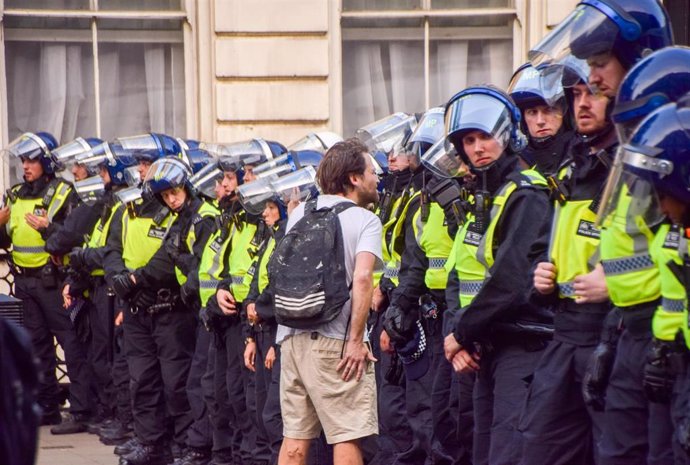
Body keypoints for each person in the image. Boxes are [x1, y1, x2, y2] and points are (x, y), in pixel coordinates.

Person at [437, 86, 552, 465]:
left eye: (484, 136)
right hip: (492, 343)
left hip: (524, 345)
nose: (476, 148)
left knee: (507, 454)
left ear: (505, 135)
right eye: (468, 140)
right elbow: (464, 275)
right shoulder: (491, 193)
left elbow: (511, 280)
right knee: (483, 452)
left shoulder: (526, 191)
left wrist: (460, 334)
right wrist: (467, 336)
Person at [519, 73, 617, 464]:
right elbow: (553, 247)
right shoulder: (573, 168)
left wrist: (616, 279)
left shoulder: (634, 163)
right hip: (566, 331)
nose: (582, 103)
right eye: (575, 95)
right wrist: (541, 279)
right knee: (540, 448)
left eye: (593, 93)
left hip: (616, 332)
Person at [275, 138, 382, 465]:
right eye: (371, 171)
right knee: (347, 433)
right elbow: (363, 278)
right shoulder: (366, 220)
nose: (377, 177)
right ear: (354, 178)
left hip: (291, 339)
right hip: (334, 342)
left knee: (294, 437)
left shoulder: (298, 216)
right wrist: (355, 341)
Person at [104, 134, 193, 465]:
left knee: (176, 382)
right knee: (141, 380)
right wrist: (120, 279)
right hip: (135, 303)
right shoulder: (128, 205)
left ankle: (182, 444)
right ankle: (150, 443)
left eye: (148, 163)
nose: (142, 169)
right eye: (140, 164)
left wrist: (137, 280)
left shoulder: (176, 205)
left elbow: (174, 256)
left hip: (168, 304)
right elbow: (113, 249)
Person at [0, 131, 92, 433]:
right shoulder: (13, 194)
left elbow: (73, 236)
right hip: (24, 281)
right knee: (36, 348)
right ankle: (47, 408)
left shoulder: (63, 192)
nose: (25, 166)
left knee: (71, 344)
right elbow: (6, 240)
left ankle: (81, 410)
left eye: (32, 161)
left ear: (47, 163)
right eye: (23, 161)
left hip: (53, 281)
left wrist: (47, 229)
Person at [508, 63, 573, 176]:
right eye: (532, 112)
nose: (540, 121)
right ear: (523, 120)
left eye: (548, 110)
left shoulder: (584, 156)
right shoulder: (515, 166)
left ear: (565, 112)